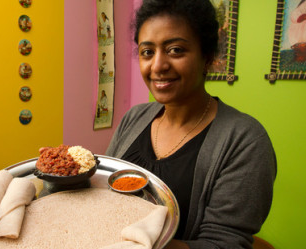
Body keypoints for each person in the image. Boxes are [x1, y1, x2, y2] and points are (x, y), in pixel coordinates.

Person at [105, 0, 276, 248]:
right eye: (147, 52)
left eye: (175, 50)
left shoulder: (244, 140)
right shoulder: (134, 118)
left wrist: (141, 245)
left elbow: (225, 244)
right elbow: (102, 192)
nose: (158, 66)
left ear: (207, 56)